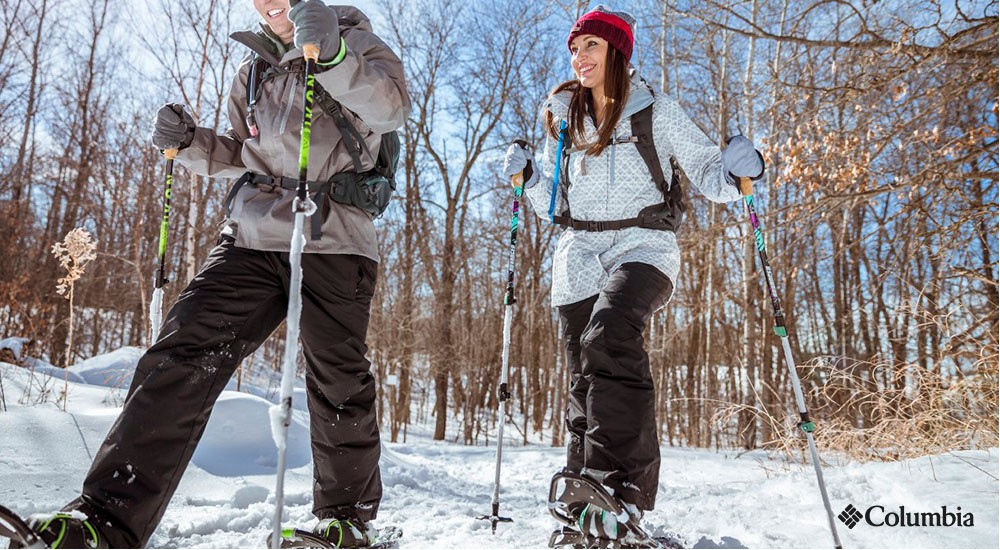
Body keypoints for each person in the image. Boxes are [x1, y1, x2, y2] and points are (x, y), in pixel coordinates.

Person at [18, 1, 409, 548]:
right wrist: (189, 143)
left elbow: (389, 108)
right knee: (180, 351)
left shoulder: (359, 43)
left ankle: (346, 521)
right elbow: (244, 154)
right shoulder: (252, 70)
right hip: (249, 237)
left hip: (333, 237)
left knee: (336, 378)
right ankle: (106, 519)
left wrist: (336, 54)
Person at [502, 5, 764, 544]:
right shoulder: (563, 118)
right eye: (574, 48)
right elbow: (551, 203)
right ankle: (583, 499)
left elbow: (713, 176)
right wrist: (525, 177)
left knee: (609, 335)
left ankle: (622, 491)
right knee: (582, 374)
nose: (579, 56)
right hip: (577, 253)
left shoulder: (656, 111)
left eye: (591, 46)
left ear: (617, 52)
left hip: (643, 245)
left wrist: (742, 165)